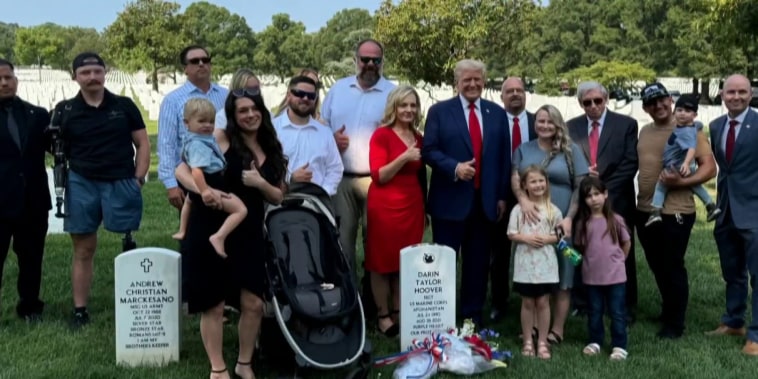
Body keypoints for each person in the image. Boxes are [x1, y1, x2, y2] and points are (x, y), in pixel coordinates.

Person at [176, 89, 287, 379]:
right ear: (233, 116)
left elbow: (278, 196)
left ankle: (244, 362)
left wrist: (260, 183)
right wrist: (204, 191)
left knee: (253, 302)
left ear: (261, 111)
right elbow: (181, 170)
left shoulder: (272, 147)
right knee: (213, 303)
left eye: (254, 108)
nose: (249, 115)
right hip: (211, 224)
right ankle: (218, 367)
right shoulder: (221, 138)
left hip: (248, 230)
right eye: (242, 111)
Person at [53, 52, 149, 327]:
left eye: (97, 71)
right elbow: (54, 146)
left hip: (120, 180)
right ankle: (80, 310)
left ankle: (135, 302)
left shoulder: (124, 105)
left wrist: (139, 178)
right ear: (75, 77)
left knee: (128, 243)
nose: (92, 77)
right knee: (83, 248)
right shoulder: (65, 110)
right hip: (81, 181)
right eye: (85, 73)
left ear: (105, 73)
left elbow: (142, 143)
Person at [423, 59, 508, 327]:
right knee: (445, 262)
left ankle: (472, 316)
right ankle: (443, 315)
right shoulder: (439, 111)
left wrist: (502, 195)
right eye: (466, 80)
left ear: (484, 81)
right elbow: (429, 150)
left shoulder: (496, 113)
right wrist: (454, 167)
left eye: (477, 79)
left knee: (478, 264)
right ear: (457, 83)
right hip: (449, 201)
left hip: (484, 203)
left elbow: (503, 158)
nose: (472, 84)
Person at [635, 82, 716, 339]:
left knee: (672, 265)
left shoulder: (689, 130)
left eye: (662, 100)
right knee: (657, 264)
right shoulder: (645, 131)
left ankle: (675, 323)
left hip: (677, 211)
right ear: (646, 107)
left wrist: (680, 182)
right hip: (646, 208)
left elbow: (709, 168)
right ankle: (668, 310)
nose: (658, 106)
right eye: (651, 103)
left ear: (670, 100)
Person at [322, 39, 396, 315]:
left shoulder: (392, 93)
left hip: (378, 181)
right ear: (356, 60)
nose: (370, 65)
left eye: (375, 60)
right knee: (343, 242)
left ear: (382, 62)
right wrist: (331, 139)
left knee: (376, 245)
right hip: (341, 178)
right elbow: (321, 128)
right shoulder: (339, 90)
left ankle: (378, 304)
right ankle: (349, 302)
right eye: (365, 59)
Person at [512, 104, 589, 343]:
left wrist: (569, 217)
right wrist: (523, 201)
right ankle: (533, 326)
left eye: (549, 122)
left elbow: (580, 185)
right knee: (535, 268)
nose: (544, 126)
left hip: (562, 217)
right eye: (540, 121)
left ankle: (557, 329)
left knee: (563, 271)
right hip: (531, 219)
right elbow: (515, 179)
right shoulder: (524, 149)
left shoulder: (570, 150)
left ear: (558, 125)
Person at [567, 81, 639, 321]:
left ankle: (624, 304)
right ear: (580, 103)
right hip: (584, 201)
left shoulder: (626, 124)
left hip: (617, 198)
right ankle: (583, 301)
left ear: (606, 99)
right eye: (587, 102)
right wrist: (587, 190)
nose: (593, 106)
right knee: (584, 247)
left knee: (620, 249)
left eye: (598, 100)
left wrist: (602, 189)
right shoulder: (571, 127)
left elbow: (630, 162)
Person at [366, 85, 427, 336]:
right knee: (381, 262)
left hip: (412, 204)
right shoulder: (381, 135)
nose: (409, 110)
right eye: (404, 105)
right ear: (394, 107)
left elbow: (423, 175)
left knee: (405, 261)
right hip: (384, 205)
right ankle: (383, 315)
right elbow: (379, 175)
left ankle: (400, 311)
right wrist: (404, 157)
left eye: (413, 105)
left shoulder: (420, 137)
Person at [706, 74, 758, 355]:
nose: (735, 97)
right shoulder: (715, 126)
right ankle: (734, 321)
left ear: (750, 94)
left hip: (754, 211)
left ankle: (757, 335)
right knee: (732, 272)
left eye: (742, 92)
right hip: (725, 211)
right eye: (730, 92)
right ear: (722, 95)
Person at [0, 58, 51, 322]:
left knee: (32, 257)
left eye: (8, 77)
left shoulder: (37, 114)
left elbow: (56, 148)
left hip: (32, 199)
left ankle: (30, 306)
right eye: (0, 79)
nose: (4, 83)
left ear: (16, 80)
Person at [172, 98, 246, 258]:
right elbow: (197, 171)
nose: (208, 125)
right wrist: (205, 190)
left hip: (204, 180)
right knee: (240, 209)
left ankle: (182, 230)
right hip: (211, 180)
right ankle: (219, 236)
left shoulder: (192, 139)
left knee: (189, 202)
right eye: (201, 121)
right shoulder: (199, 145)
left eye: (211, 121)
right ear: (187, 123)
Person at [158, 45, 228, 211]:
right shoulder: (173, 100)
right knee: (196, 229)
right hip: (191, 174)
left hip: (222, 171)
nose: (201, 64)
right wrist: (171, 184)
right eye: (195, 61)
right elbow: (166, 144)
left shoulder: (225, 95)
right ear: (185, 69)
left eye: (206, 60)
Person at [490, 76, 537, 322]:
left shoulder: (537, 121)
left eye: (520, 90)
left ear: (526, 94)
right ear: (502, 96)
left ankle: (537, 298)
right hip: (502, 195)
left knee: (539, 246)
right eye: (510, 91)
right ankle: (499, 301)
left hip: (535, 194)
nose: (516, 94)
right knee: (499, 251)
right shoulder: (493, 122)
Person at [574, 176, 631, 361]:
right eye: (589, 196)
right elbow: (581, 246)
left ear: (605, 194)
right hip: (592, 277)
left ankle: (619, 345)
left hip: (615, 276)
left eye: (597, 194)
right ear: (584, 200)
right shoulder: (584, 224)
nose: (594, 199)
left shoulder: (616, 220)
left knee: (617, 312)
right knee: (595, 311)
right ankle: (595, 341)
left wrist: (621, 258)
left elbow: (626, 242)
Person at [507, 165, 561, 360]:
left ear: (546, 183)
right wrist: (526, 238)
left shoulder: (553, 210)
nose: (538, 185)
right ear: (525, 186)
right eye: (533, 181)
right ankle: (528, 340)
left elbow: (560, 235)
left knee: (544, 302)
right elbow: (511, 233)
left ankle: (543, 341)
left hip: (547, 265)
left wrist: (548, 239)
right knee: (528, 302)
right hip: (525, 265)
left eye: (541, 181)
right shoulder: (518, 210)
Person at [645, 94, 720, 226]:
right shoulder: (691, 127)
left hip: (676, 166)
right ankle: (711, 205)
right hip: (681, 165)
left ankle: (655, 211)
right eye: (680, 110)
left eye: (687, 111)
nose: (683, 114)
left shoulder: (685, 132)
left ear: (694, 114)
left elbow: (691, 148)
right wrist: (698, 124)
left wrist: (685, 163)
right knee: (695, 185)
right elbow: (697, 125)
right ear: (674, 112)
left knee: (661, 186)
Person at [273, 75, 343, 195]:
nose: (305, 98)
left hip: (315, 204)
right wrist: (289, 179)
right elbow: (265, 167)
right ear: (289, 95)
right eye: (299, 93)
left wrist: (322, 192)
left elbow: (335, 169)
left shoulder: (324, 133)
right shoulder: (273, 129)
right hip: (279, 201)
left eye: (311, 96)